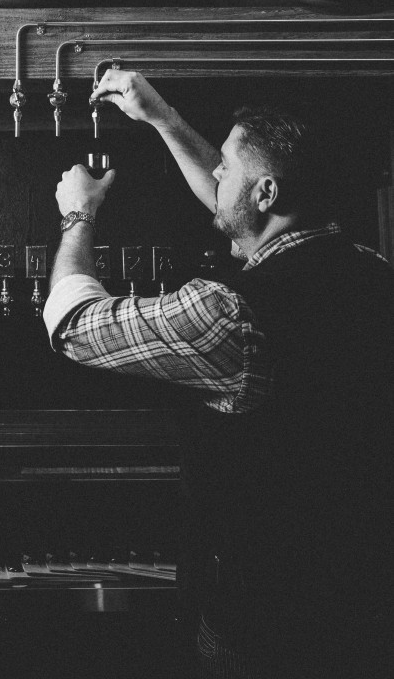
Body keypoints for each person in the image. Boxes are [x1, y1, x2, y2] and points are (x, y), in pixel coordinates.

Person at [43, 69, 393, 679]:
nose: (216, 177)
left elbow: (73, 324)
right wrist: (162, 118)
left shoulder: (229, 315)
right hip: (366, 594)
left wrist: (78, 217)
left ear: (264, 194)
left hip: (265, 618)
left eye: (226, 168)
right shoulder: (371, 270)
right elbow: (243, 202)